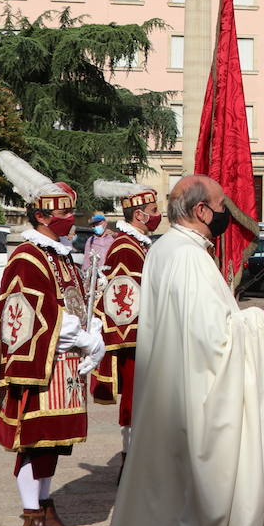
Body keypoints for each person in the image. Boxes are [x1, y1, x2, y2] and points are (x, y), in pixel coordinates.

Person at [106, 175, 264, 526]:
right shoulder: (189, 258)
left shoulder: (165, 248)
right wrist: (254, 324)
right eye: (221, 207)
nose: (224, 215)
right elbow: (213, 342)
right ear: (201, 211)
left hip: (170, 392)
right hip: (191, 401)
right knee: (193, 503)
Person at [0, 151, 104, 526]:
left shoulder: (59, 253)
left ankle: (45, 510)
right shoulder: (28, 255)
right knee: (34, 441)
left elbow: (72, 303)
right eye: (61, 213)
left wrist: (95, 333)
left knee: (54, 444)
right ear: (40, 216)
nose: (69, 219)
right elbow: (33, 311)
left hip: (65, 365)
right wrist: (81, 336)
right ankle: (30, 522)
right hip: (39, 367)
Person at [88, 180, 161, 478]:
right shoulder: (125, 247)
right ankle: (130, 463)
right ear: (139, 215)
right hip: (135, 341)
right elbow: (123, 301)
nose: (159, 214)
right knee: (135, 402)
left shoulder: (138, 243)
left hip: (146, 338)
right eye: (155, 210)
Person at [83, 212, 113, 282]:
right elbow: (86, 261)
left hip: (110, 275)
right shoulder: (90, 241)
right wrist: (86, 278)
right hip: (96, 278)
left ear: (105, 223)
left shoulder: (112, 239)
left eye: (98, 224)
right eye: (94, 225)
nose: (96, 227)